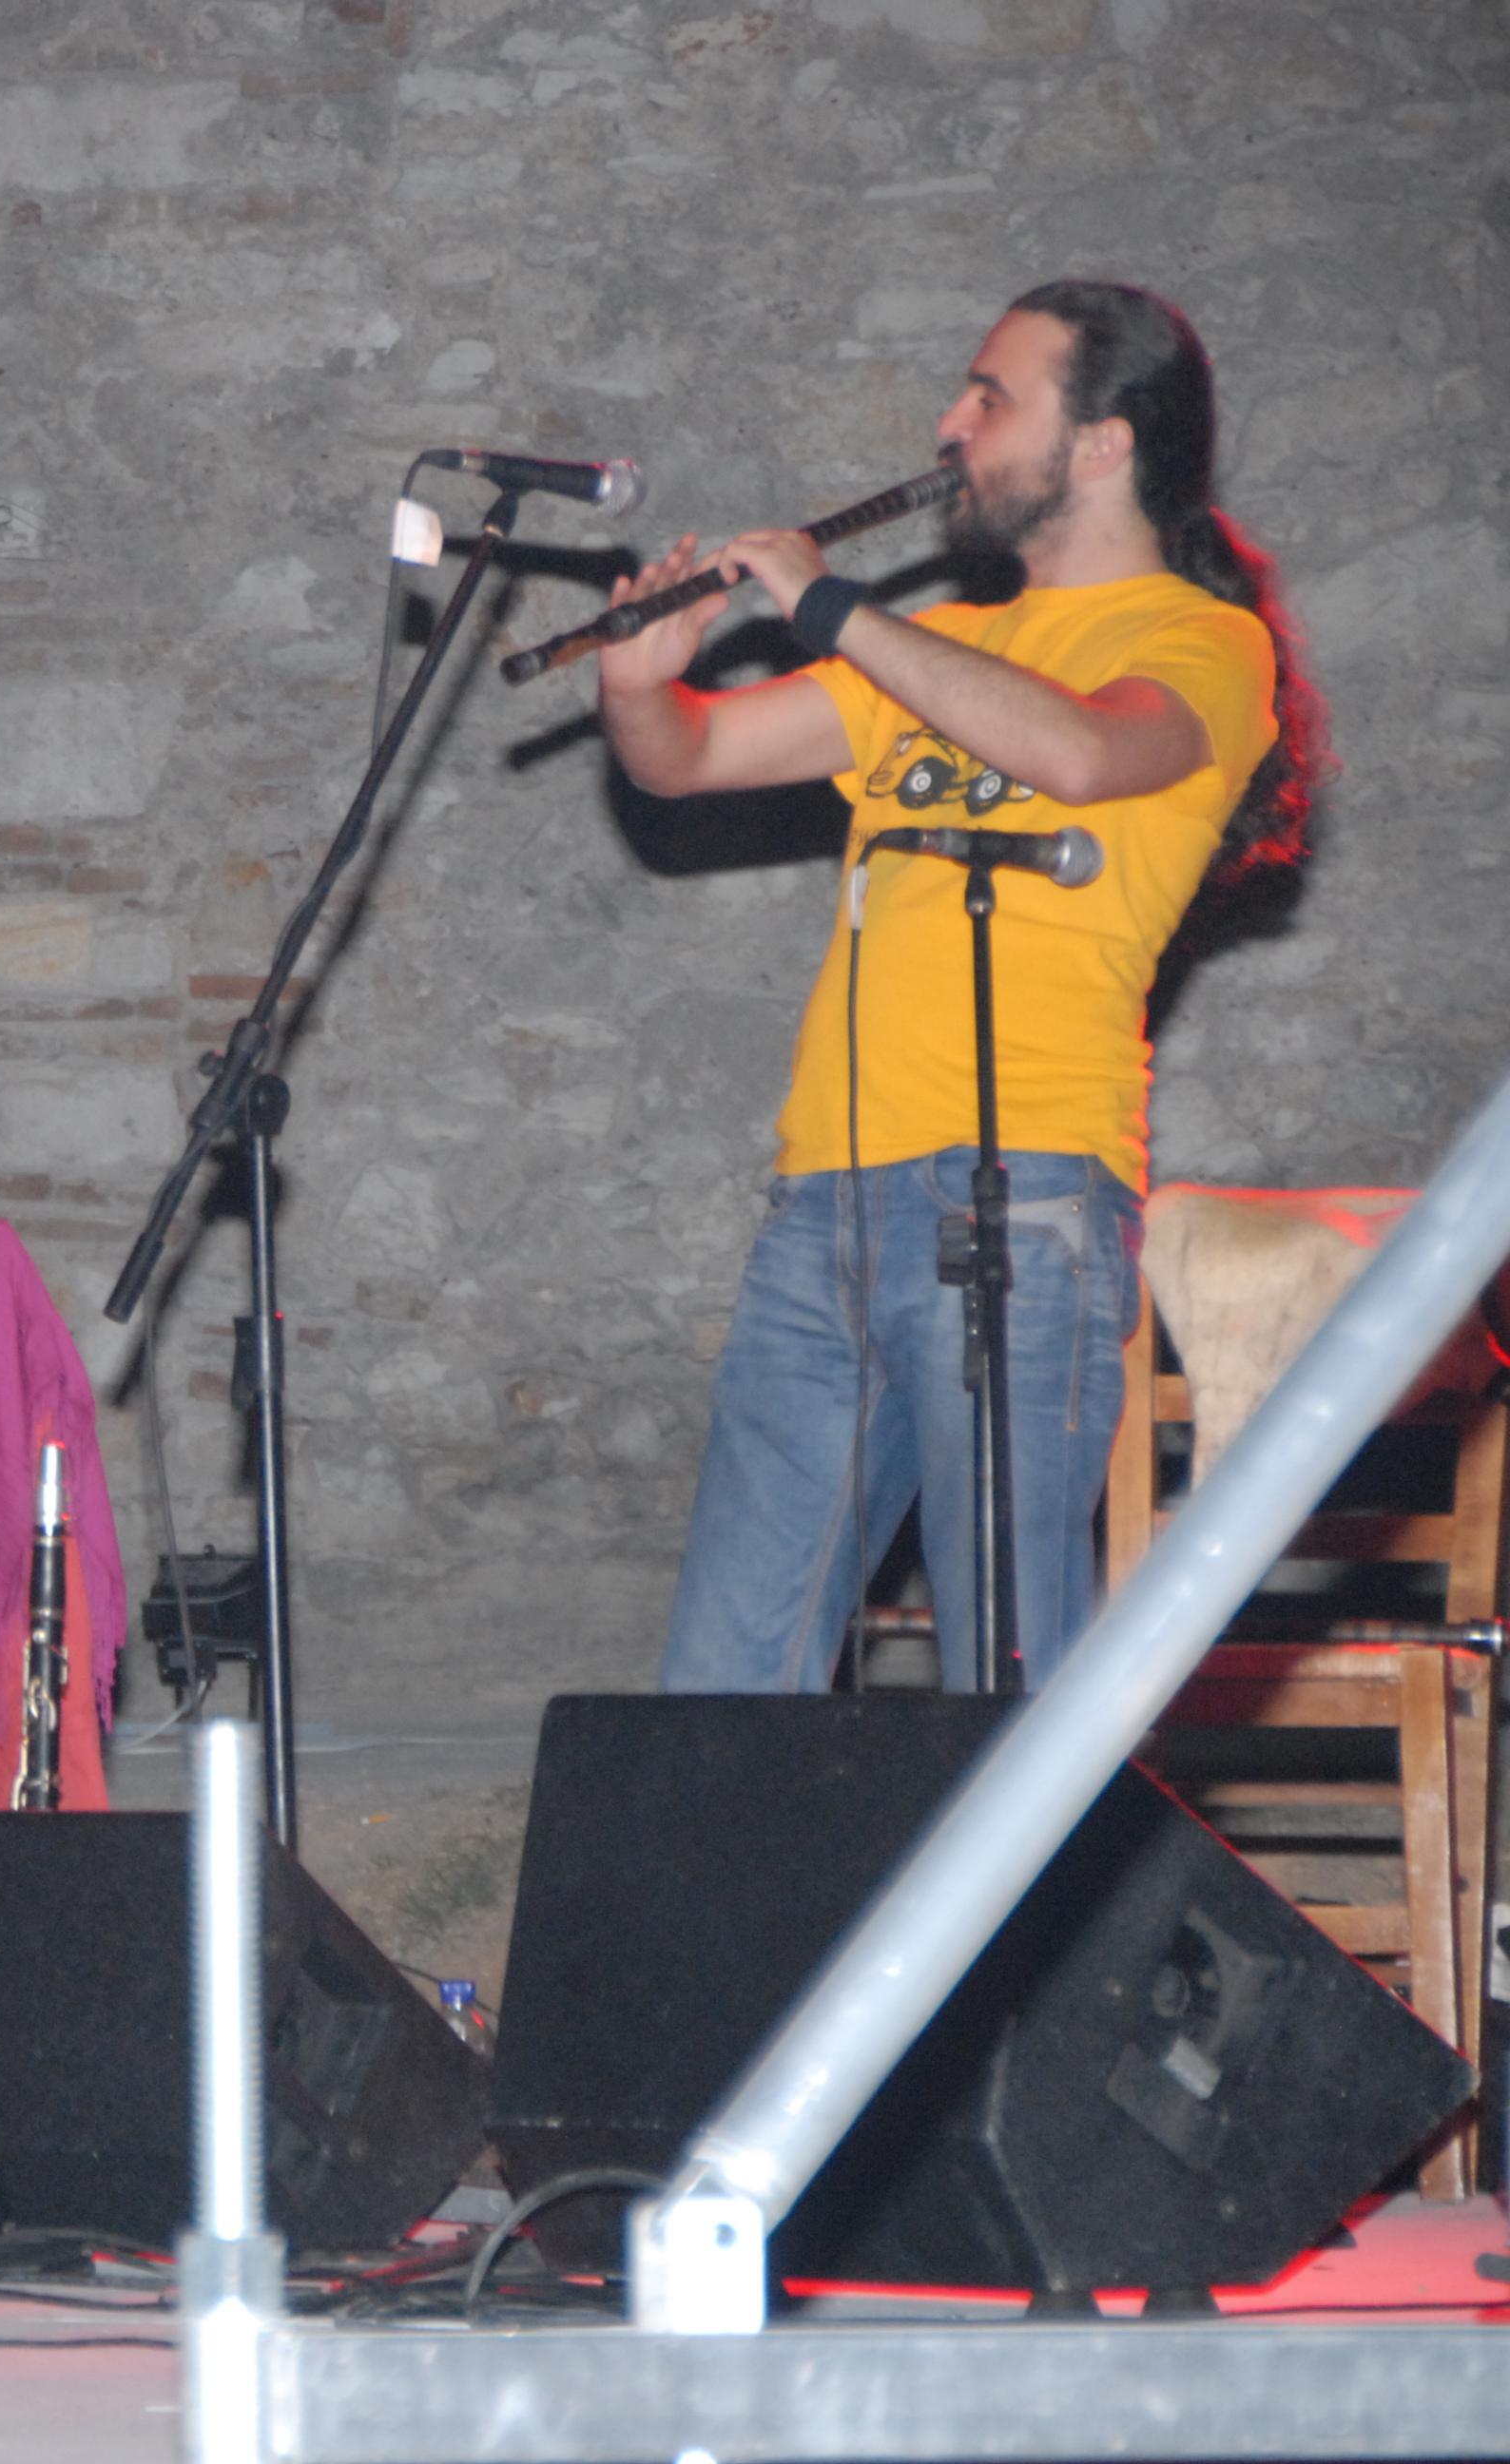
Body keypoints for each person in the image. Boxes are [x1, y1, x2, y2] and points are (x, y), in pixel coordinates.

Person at [603, 279, 1322, 1696]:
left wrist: (828, 603)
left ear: (1104, 443)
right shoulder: (945, 654)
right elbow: (688, 759)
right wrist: (639, 685)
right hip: (825, 1202)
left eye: (991, 397)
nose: (951, 421)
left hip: (1023, 1198)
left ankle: (1040, 1861)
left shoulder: (1203, 644)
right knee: (726, 1683)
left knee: (1007, 1676)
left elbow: (1082, 754)